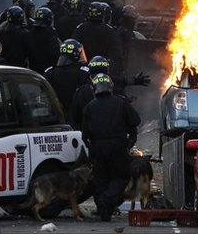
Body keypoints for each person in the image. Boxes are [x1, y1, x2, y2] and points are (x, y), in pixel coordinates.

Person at [82, 73, 140, 221]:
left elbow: (84, 135)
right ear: (110, 87)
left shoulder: (89, 107)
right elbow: (136, 120)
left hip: (98, 147)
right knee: (121, 177)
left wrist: (93, 148)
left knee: (101, 179)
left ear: (95, 89)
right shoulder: (120, 102)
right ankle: (106, 202)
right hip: (118, 147)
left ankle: (104, 212)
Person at [71, 55, 150, 129]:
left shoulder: (81, 92)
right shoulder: (116, 91)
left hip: (92, 136)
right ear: (107, 70)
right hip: (115, 135)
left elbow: (75, 117)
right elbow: (135, 120)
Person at [44, 39, 90, 120]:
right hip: (78, 118)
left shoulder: (50, 72)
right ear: (75, 54)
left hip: (56, 117)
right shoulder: (83, 73)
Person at [27, 7, 60, 74]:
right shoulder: (50, 33)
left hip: (32, 68)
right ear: (49, 20)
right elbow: (54, 52)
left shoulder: (30, 32)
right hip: (47, 69)